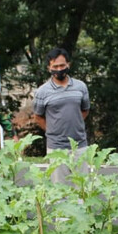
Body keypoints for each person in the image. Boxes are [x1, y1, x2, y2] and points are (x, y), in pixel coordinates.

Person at [33, 48, 90, 183]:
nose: (59, 69)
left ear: (68, 65)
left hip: (79, 144)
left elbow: (85, 109)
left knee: (82, 187)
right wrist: (54, 129)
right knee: (60, 188)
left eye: (62, 65)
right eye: (55, 66)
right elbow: (38, 117)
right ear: (49, 68)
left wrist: (75, 124)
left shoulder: (80, 87)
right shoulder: (42, 92)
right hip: (56, 146)